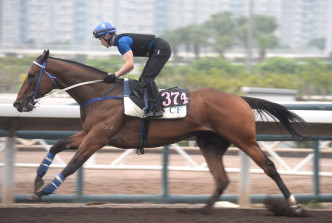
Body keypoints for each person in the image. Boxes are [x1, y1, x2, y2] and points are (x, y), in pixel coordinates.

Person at [93, 21, 171, 118]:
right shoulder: (120, 42)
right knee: (143, 80)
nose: (101, 43)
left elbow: (130, 65)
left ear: (107, 35)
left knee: (147, 79)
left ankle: (157, 109)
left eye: (100, 39)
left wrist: (114, 75)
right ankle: (149, 107)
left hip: (161, 48)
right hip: (157, 49)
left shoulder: (122, 42)